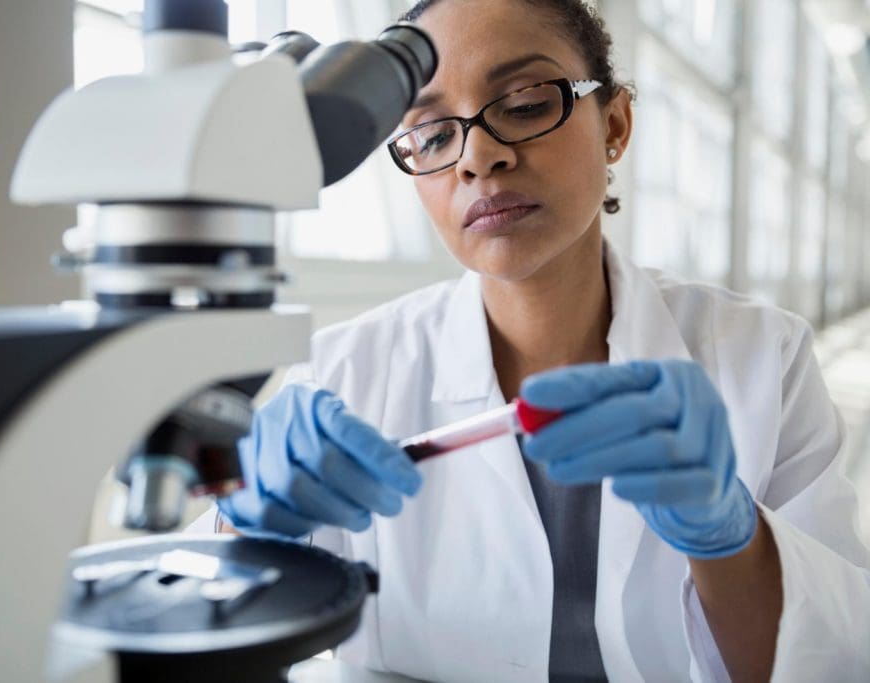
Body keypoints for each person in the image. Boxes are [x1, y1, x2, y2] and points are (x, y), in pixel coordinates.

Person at [191, 1, 870, 680]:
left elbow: (835, 656)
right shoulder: (345, 372)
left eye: (522, 102)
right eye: (430, 133)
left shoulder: (763, 356)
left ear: (614, 124)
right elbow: (207, 634)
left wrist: (731, 540)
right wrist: (246, 529)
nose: (479, 156)